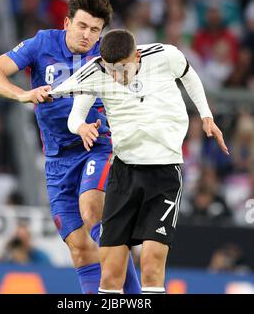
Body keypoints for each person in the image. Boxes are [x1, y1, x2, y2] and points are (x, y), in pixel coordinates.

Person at [0, 0, 140, 294]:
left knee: (92, 208)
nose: (87, 35)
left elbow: (137, 89)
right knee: (79, 248)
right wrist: (23, 94)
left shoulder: (109, 52)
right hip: (57, 159)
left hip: (99, 145)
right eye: (82, 26)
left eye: (95, 30)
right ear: (67, 23)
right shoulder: (42, 43)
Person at [51, 29, 229, 294]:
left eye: (123, 69)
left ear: (137, 55)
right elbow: (72, 112)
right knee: (111, 274)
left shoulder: (165, 55)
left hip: (164, 174)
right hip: (123, 175)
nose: (117, 77)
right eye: (112, 70)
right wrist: (81, 127)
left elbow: (188, 74)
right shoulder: (95, 71)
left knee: (151, 265)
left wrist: (206, 114)